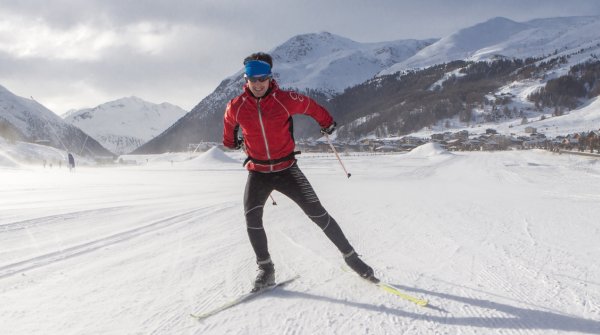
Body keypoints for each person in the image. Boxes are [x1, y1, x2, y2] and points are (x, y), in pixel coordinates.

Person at [223, 52, 374, 291]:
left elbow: (312, 107)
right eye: (254, 79)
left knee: (318, 214)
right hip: (258, 172)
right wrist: (233, 142)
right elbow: (229, 129)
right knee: (252, 218)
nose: (259, 84)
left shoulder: (285, 99)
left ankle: (351, 257)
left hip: (287, 170)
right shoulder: (237, 106)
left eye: (263, 78)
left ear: (270, 77)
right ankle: (266, 269)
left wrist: (327, 123)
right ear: (247, 79)